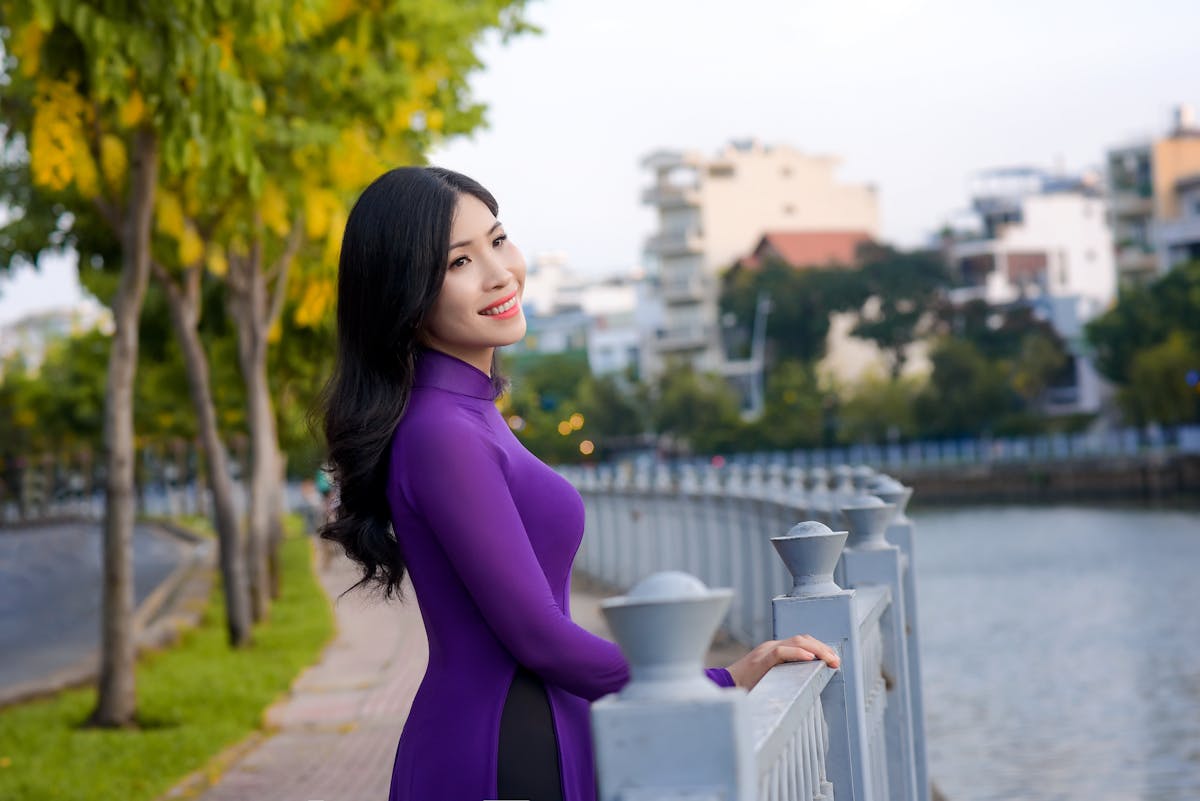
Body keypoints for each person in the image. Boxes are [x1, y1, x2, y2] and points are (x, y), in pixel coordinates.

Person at [316, 166, 840, 801]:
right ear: (403, 294)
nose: (499, 272)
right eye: (458, 262)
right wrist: (716, 681)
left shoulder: (470, 415)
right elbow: (537, 635)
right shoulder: (443, 433)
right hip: (505, 750)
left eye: (498, 239)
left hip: (539, 728)